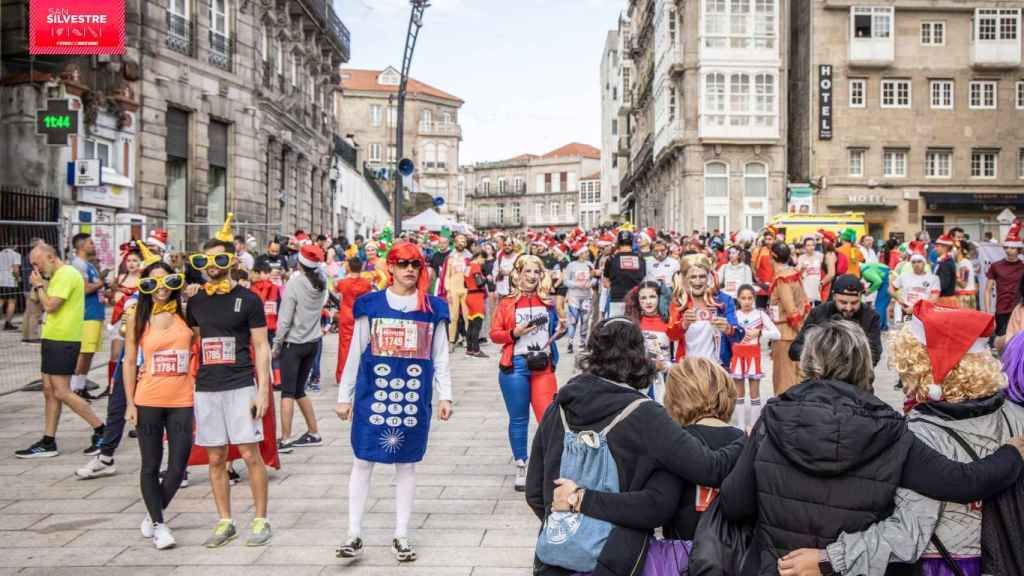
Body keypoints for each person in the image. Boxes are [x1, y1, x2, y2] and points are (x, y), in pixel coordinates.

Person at [719, 320, 1024, 576]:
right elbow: (960, 482)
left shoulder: (771, 417)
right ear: (865, 364)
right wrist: (1011, 454)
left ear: (809, 364)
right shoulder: (890, 429)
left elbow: (735, 503)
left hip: (781, 567)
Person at [527, 317, 744, 575]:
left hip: (554, 555)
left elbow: (534, 493)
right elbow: (709, 469)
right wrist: (747, 440)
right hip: (615, 559)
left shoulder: (558, 407)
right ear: (640, 357)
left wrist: (575, 531)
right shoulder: (645, 415)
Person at [334, 241, 453, 562]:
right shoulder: (370, 305)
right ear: (390, 267)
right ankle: (354, 532)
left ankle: (401, 533)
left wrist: (446, 394)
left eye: (415, 264)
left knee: (407, 463)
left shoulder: (433, 308)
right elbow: (354, 353)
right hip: (373, 396)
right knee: (362, 460)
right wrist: (344, 396)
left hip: (413, 397)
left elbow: (439, 355)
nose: (410, 269)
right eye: (402, 264)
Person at [185, 224, 274, 548]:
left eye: (218, 260)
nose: (212, 266)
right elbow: (193, 341)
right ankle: (225, 520)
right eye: (206, 260)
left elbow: (262, 346)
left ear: (232, 262)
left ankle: (261, 519)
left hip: (240, 383)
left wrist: (263, 389)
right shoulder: (194, 302)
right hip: (207, 387)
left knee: (250, 453)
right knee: (215, 457)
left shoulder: (248, 300)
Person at [121, 259, 193, 549]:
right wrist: (129, 402)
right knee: (150, 464)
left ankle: (153, 514)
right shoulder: (137, 314)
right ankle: (160, 525)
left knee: (178, 465)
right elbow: (128, 360)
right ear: (145, 285)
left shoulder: (187, 311)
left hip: (182, 398)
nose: (160, 288)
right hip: (148, 398)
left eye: (167, 281)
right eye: (153, 282)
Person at [16, 244, 105, 459]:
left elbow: (50, 305)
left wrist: (38, 286)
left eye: (37, 264)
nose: (36, 269)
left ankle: (102, 429)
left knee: (62, 391)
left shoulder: (66, 274)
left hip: (63, 339)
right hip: (53, 337)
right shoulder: (57, 275)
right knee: (49, 390)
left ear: (50, 257)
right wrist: (41, 284)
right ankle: (48, 441)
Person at [490, 254, 563, 491]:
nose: (532, 276)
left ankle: (548, 468)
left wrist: (561, 330)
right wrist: (514, 332)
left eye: (536, 272)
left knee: (549, 419)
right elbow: (494, 334)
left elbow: (554, 330)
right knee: (519, 418)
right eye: (527, 271)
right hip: (516, 366)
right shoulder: (506, 303)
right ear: (517, 275)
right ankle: (521, 465)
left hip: (543, 366)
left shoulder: (548, 303)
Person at [273, 244, 327, 453]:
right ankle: (314, 432)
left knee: (287, 392)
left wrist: (276, 344)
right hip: (312, 343)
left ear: (300, 262)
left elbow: (285, 319)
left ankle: (285, 439)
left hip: (293, 344)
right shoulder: (321, 283)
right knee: (299, 390)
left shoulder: (295, 285)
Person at [790, 274, 883, 367]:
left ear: (861, 298)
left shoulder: (871, 316)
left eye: (854, 303)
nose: (848, 308)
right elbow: (795, 349)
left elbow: (875, 354)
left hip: (857, 375)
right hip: (823, 375)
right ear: (834, 296)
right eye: (843, 302)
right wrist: (826, 355)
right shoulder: (819, 312)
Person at [667, 257, 744, 367]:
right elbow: (671, 335)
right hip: (687, 368)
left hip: (717, 368)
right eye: (693, 277)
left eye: (702, 276)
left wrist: (728, 329)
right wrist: (683, 324)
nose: (698, 281)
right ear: (684, 279)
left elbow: (739, 335)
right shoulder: (679, 302)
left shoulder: (723, 300)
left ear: (709, 278)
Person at [731, 284, 780, 430]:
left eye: (750, 298)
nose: (747, 301)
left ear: (754, 298)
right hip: (737, 355)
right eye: (743, 298)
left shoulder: (760, 315)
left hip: (753, 355)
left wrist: (760, 333)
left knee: (754, 393)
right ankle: (740, 426)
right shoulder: (733, 314)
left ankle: (753, 426)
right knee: (739, 393)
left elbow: (777, 334)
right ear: (738, 299)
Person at [67, 233, 106, 404]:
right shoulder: (78, 264)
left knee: (90, 353)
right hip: (87, 314)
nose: (93, 245)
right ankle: (75, 388)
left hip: (96, 312)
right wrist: (101, 282)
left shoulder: (88, 264)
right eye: (90, 242)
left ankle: (81, 386)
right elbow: (84, 289)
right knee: (84, 352)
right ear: (81, 245)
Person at [769, 241, 809, 395]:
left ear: (772, 257)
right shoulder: (794, 273)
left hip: (786, 332)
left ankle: (784, 410)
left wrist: (800, 332)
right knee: (795, 374)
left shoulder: (782, 278)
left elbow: (791, 310)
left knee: (784, 377)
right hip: (794, 331)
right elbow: (805, 303)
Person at [625, 280, 672, 403]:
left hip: (667, 379)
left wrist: (666, 367)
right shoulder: (633, 323)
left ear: (660, 298)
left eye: (652, 296)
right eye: (643, 298)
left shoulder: (669, 322)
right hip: (640, 380)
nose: (648, 302)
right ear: (638, 301)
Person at [334, 257, 374, 382]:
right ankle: (359, 373)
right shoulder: (366, 284)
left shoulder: (342, 283)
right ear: (361, 267)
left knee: (344, 346)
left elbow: (334, 292)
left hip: (346, 316)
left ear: (349, 267)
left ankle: (342, 375)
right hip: (360, 316)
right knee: (361, 345)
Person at [986, 221, 1024, 342]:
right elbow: (987, 290)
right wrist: (988, 312)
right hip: (1002, 309)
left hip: (1019, 310)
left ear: (1019, 249)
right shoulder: (996, 266)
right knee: (1001, 342)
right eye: (1007, 247)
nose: (1009, 250)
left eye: (1013, 247)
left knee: (1018, 343)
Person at [603, 230, 646, 317]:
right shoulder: (640, 259)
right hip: (635, 299)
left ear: (618, 243)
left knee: (616, 328)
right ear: (632, 242)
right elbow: (643, 278)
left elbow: (605, 282)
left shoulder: (611, 259)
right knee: (633, 327)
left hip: (617, 298)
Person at [563, 244, 595, 354]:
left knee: (585, 320)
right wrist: (578, 284)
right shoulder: (571, 265)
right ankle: (570, 343)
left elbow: (594, 278)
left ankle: (582, 343)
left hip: (586, 297)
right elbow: (566, 281)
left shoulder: (590, 264)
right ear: (580, 254)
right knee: (573, 320)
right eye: (585, 252)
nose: (587, 254)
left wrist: (590, 284)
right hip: (574, 297)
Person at [444, 234, 472, 347]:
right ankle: (451, 341)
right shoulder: (450, 257)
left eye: (463, 241)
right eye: (459, 241)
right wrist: (448, 290)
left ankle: (468, 340)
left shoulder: (469, 257)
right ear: (455, 243)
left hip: (466, 289)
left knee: (467, 316)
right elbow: (447, 275)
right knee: (453, 316)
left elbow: (471, 274)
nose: (461, 243)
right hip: (453, 289)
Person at [891, 253, 940, 318]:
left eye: (919, 262)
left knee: (921, 328)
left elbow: (934, 298)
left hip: (923, 312)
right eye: (913, 262)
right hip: (907, 311)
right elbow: (891, 288)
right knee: (907, 327)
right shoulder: (904, 276)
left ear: (924, 263)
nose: (916, 264)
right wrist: (898, 298)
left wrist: (916, 308)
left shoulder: (933, 278)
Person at [464, 249, 489, 358]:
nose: (484, 262)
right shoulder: (475, 267)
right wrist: (487, 279)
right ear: (479, 256)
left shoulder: (468, 266)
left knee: (471, 325)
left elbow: (465, 284)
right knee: (477, 325)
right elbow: (479, 283)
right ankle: (476, 350)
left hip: (469, 296)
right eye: (484, 259)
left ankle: (469, 350)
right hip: (476, 297)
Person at [933, 233, 960, 308]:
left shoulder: (946, 263)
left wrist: (932, 290)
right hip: (944, 298)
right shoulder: (944, 261)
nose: (936, 248)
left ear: (945, 247)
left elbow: (943, 284)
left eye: (938, 246)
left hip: (944, 300)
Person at [796, 236, 823, 307]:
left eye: (812, 245)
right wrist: (802, 268)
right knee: (808, 308)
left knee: (819, 308)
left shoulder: (820, 256)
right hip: (806, 287)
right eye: (808, 245)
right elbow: (798, 274)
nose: (811, 247)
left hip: (818, 287)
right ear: (804, 247)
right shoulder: (801, 258)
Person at [0, 244, 19, 331]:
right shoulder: (15, 254)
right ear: (14, 246)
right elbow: (16, 270)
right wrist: (17, 278)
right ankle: (8, 323)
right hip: (10, 281)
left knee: (1, 301)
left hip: (0, 280)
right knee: (12, 302)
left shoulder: (0, 254)